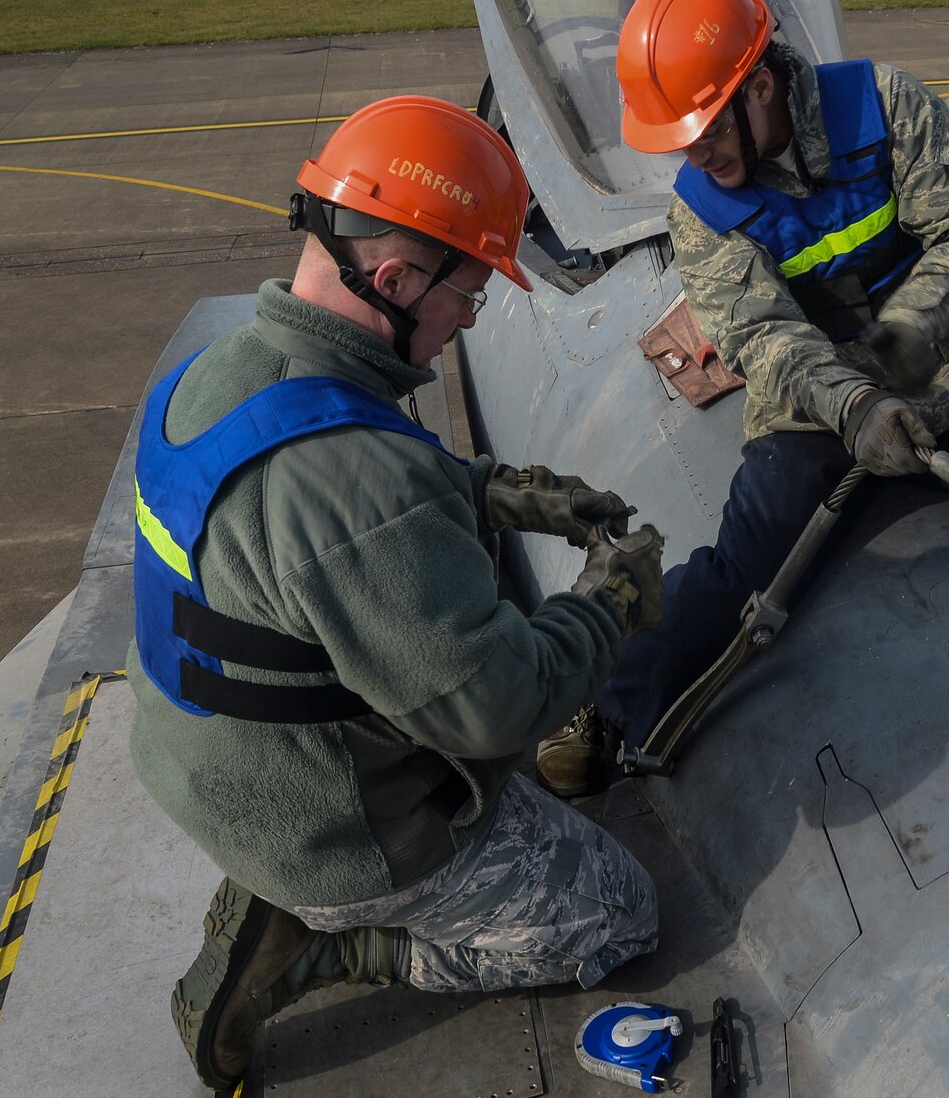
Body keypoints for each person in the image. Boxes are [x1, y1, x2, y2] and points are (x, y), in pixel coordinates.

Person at [127, 96, 667, 1094]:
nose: (474, 314)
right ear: (395, 278)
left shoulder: (222, 368)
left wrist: (488, 492)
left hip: (193, 759)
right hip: (321, 823)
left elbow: (299, 526)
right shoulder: (364, 481)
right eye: (470, 290)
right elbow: (493, 709)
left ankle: (298, 898)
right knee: (621, 912)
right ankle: (328, 944)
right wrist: (605, 604)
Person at [535, 0, 949, 793]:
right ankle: (607, 707)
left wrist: (912, 340)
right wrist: (856, 401)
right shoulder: (702, 205)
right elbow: (759, 332)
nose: (696, 156)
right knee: (737, 571)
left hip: (945, 385)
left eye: (706, 133)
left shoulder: (887, 107)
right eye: (682, 143)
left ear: (760, 87)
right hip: (815, 415)